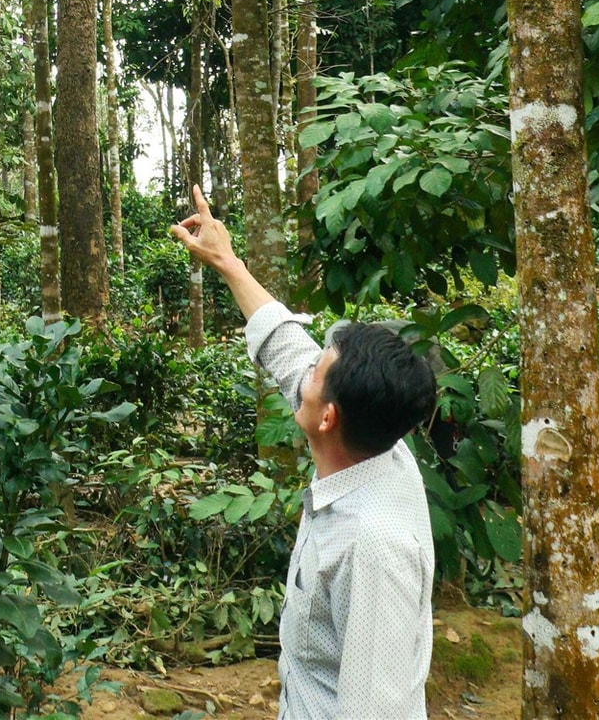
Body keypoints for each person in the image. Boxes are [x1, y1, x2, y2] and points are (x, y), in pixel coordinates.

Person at [172, 186, 438, 720]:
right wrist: (228, 261)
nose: (306, 370)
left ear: (328, 418)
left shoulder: (371, 550)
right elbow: (286, 347)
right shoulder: (382, 445)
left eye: (318, 372)